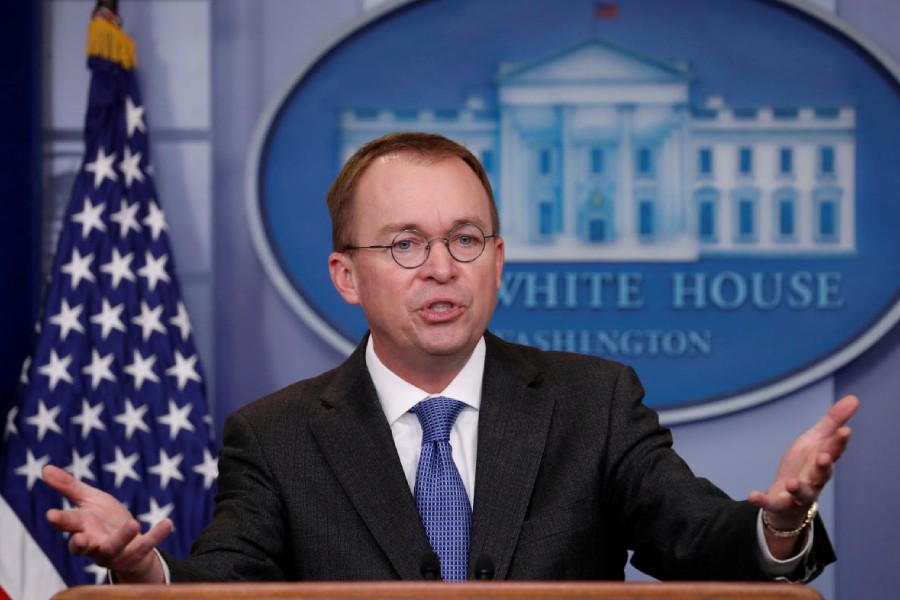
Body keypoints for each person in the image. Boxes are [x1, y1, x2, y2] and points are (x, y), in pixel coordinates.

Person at [42, 131, 857, 583]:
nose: (441, 267)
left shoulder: (593, 403)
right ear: (346, 276)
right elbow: (229, 582)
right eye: (404, 244)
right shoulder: (276, 435)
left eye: (465, 239)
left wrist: (778, 525)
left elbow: (698, 538)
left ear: (498, 261)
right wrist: (146, 573)